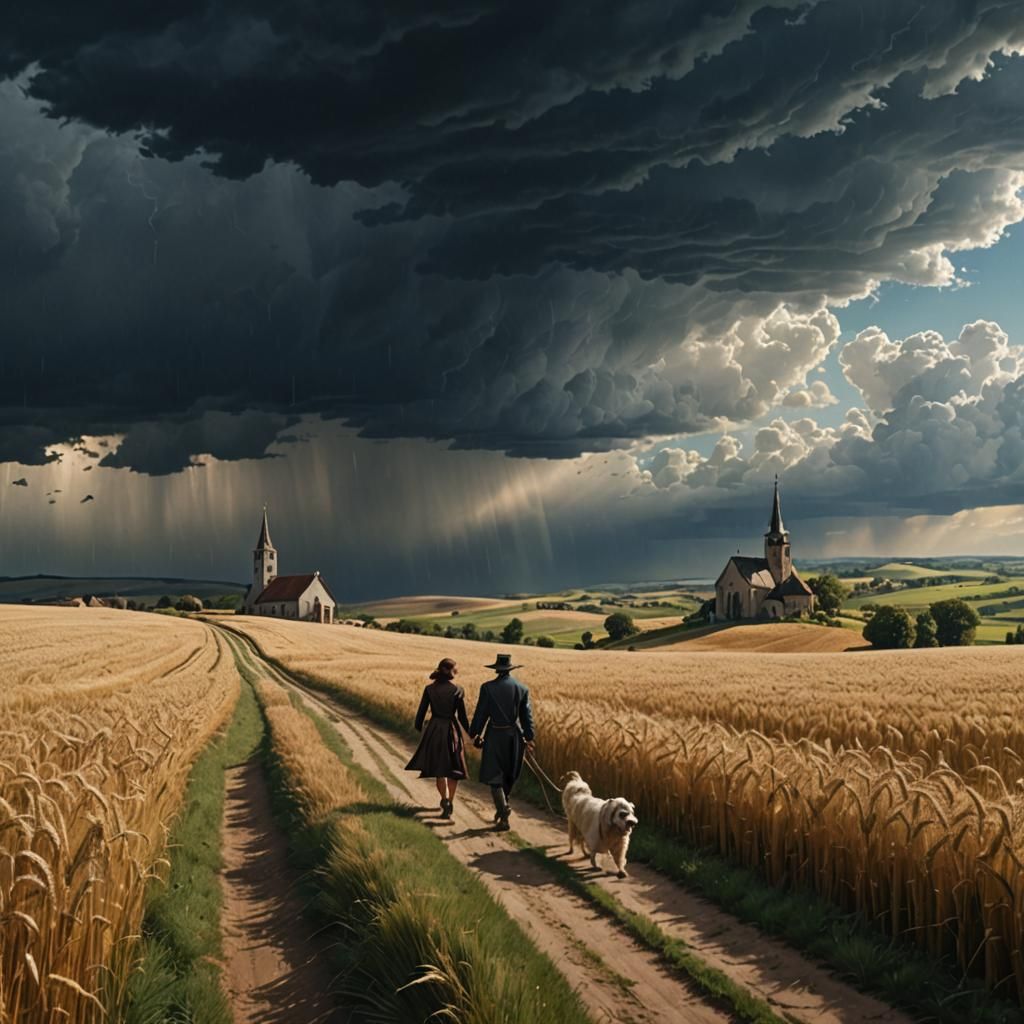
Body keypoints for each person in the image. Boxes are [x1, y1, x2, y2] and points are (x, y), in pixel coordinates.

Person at [469, 652, 535, 831]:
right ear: (510, 669)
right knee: (508, 775)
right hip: (514, 737)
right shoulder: (522, 689)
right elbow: (526, 717)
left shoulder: (487, 688)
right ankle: (503, 808)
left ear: (497, 669)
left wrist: (475, 733)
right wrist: (529, 738)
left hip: (494, 736)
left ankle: (503, 812)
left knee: (494, 776)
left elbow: (481, 713)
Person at [405, 657, 470, 818]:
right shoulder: (458, 689)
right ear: (448, 671)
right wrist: (471, 734)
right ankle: (451, 801)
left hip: (434, 729)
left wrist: (421, 729)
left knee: (440, 769)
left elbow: (420, 715)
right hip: (451, 730)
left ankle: (444, 800)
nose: (457, 671)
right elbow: (462, 717)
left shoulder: (429, 689)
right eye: (455, 669)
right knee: (454, 769)